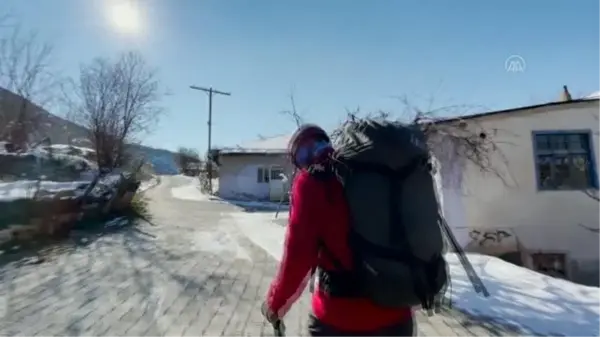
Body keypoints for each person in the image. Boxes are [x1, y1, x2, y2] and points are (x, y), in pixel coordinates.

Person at [261, 124, 416, 337]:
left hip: (340, 320)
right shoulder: (382, 172)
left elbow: (297, 259)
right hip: (397, 316)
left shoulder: (311, 182)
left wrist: (275, 305)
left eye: (301, 158)